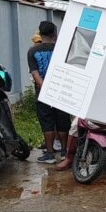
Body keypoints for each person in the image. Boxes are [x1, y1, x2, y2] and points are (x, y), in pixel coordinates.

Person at [27, 21, 71, 164]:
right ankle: (64, 152)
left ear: (40, 34)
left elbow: (35, 74)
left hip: (43, 93)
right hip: (62, 90)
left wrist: (45, 89)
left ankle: (50, 154)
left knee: (47, 123)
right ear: (54, 33)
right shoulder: (62, 49)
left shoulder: (32, 51)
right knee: (63, 121)